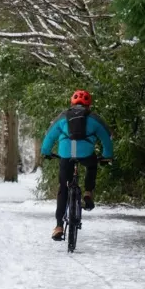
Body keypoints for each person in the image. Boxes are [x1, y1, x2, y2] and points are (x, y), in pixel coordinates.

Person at [40, 89, 113, 241]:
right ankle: (88, 192)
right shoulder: (94, 118)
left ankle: (59, 226)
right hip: (85, 154)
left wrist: (46, 152)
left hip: (67, 154)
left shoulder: (63, 117)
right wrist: (107, 156)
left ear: (72, 103)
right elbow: (106, 138)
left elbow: (49, 136)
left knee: (63, 188)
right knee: (91, 165)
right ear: (88, 105)